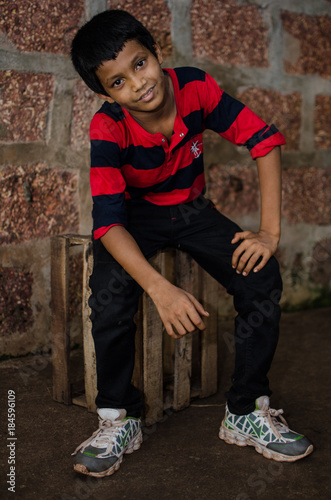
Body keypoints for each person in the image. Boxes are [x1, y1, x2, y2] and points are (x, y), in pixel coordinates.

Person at [70, 9, 313, 477]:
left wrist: (269, 232)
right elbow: (108, 223)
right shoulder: (108, 128)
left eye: (139, 64)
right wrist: (159, 288)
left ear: (156, 54)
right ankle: (118, 416)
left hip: (192, 210)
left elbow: (263, 139)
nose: (138, 84)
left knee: (261, 275)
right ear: (106, 95)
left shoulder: (196, 88)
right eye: (117, 82)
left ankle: (245, 409)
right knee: (110, 294)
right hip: (133, 220)